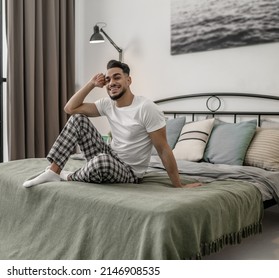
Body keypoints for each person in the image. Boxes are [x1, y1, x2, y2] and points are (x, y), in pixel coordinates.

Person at [23, 60, 201, 188]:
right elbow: (70, 108)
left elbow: (163, 149)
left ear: (128, 80)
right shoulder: (107, 104)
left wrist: (178, 185)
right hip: (109, 154)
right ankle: (54, 171)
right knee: (78, 119)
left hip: (130, 172)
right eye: (108, 80)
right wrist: (92, 84)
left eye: (117, 77)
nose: (112, 83)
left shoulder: (146, 108)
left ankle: (68, 175)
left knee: (102, 162)